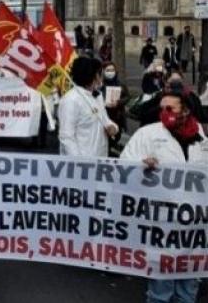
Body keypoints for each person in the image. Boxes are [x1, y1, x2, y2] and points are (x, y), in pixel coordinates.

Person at [120, 89, 205, 303]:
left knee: (188, 289)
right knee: (161, 289)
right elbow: (123, 165)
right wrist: (141, 165)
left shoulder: (201, 138)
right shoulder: (148, 134)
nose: (164, 113)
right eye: (162, 109)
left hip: (194, 228)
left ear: (186, 110)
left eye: (170, 108)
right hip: (162, 225)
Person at [57, 56, 118, 157]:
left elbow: (105, 120)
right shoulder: (71, 100)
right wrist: (81, 163)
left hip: (100, 159)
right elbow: (66, 137)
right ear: (92, 76)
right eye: (99, 74)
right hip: (81, 164)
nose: (101, 78)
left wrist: (113, 128)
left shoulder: (97, 96)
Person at [100, 62, 129, 155]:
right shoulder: (100, 85)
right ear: (103, 71)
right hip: (105, 117)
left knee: (117, 137)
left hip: (117, 117)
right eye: (108, 70)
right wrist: (104, 103)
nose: (110, 72)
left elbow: (127, 97)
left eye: (112, 70)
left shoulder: (120, 84)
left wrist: (118, 102)